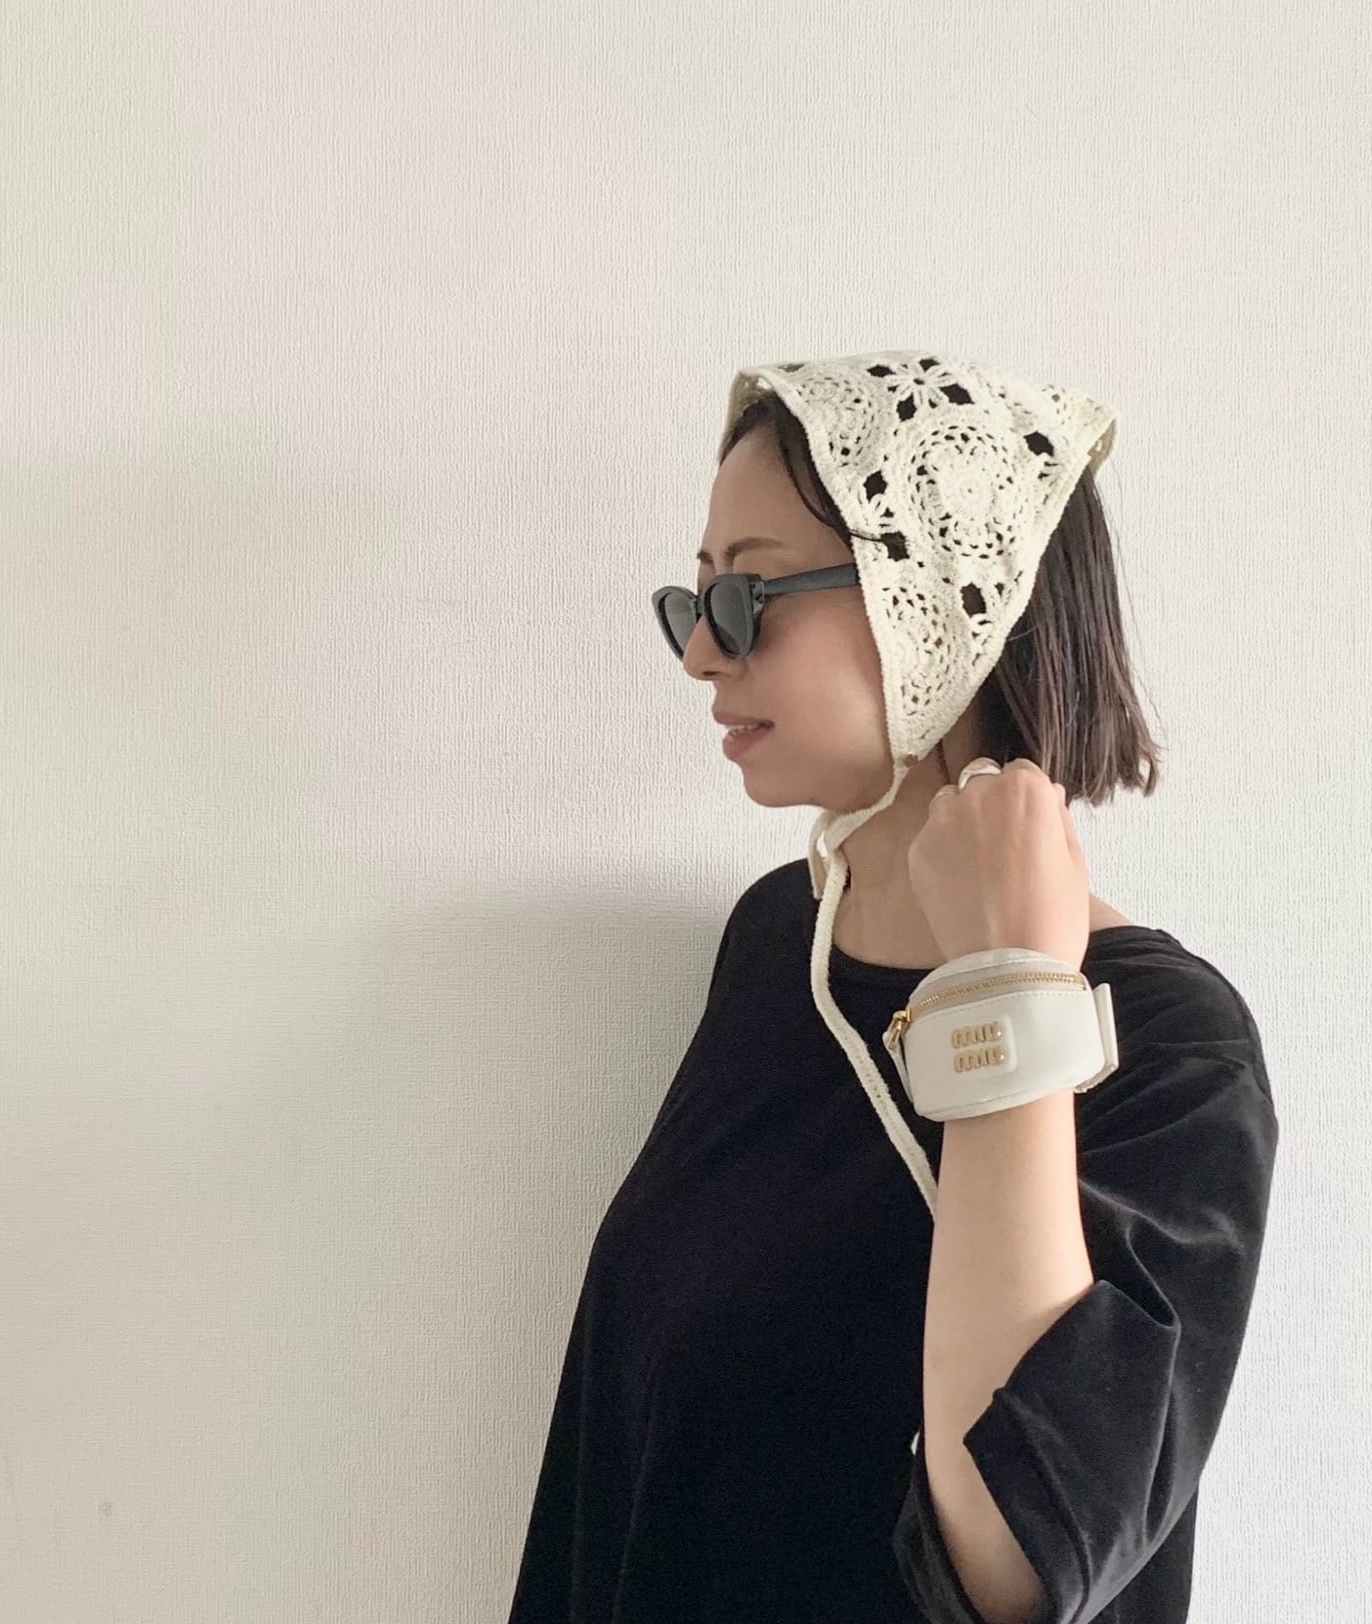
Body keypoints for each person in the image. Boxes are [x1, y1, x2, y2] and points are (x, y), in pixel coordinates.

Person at [507, 358, 1279, 1623]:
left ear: (944, 605)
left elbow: (1019, 1561)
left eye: (748, 597)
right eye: (693, 600)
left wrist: (1005, 986)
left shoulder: (1168, 1048)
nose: (701, 653)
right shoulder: (781, 942)